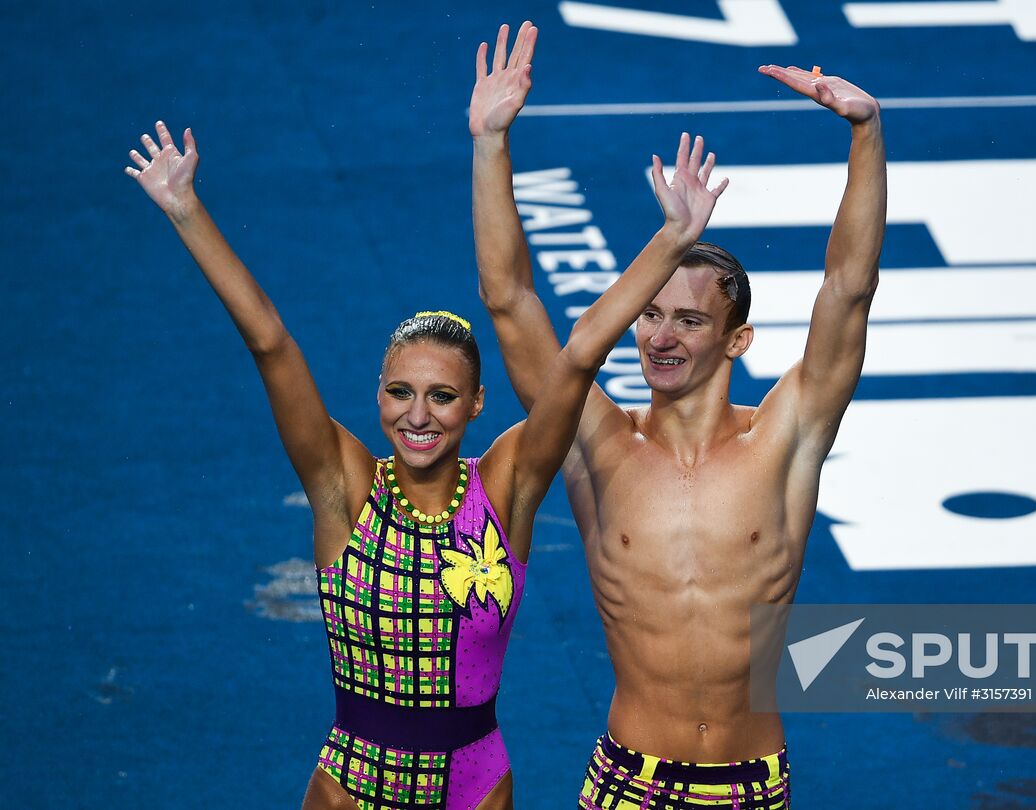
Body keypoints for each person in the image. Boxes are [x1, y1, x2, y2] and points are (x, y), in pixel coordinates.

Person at [124, 64, 730, 810]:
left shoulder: (506, 484)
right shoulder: (341, 484)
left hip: (476, 790)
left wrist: (671, 241)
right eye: (401, 393)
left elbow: (576, 358)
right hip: (349, 789)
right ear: (377, 398)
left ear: (476, 404)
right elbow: (272, 343)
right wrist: (186, 209)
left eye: (442, 396)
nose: (419, 415)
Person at [471, 21, 887, 809]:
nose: (659, 337)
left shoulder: (785, 439)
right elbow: (510, 300)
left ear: (738, 342)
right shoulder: (595, 440)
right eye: (649, 315)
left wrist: (865, 135)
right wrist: (491, 145)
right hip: (631, 783)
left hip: (751, 786)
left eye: (689, 322)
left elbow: (847, 291)